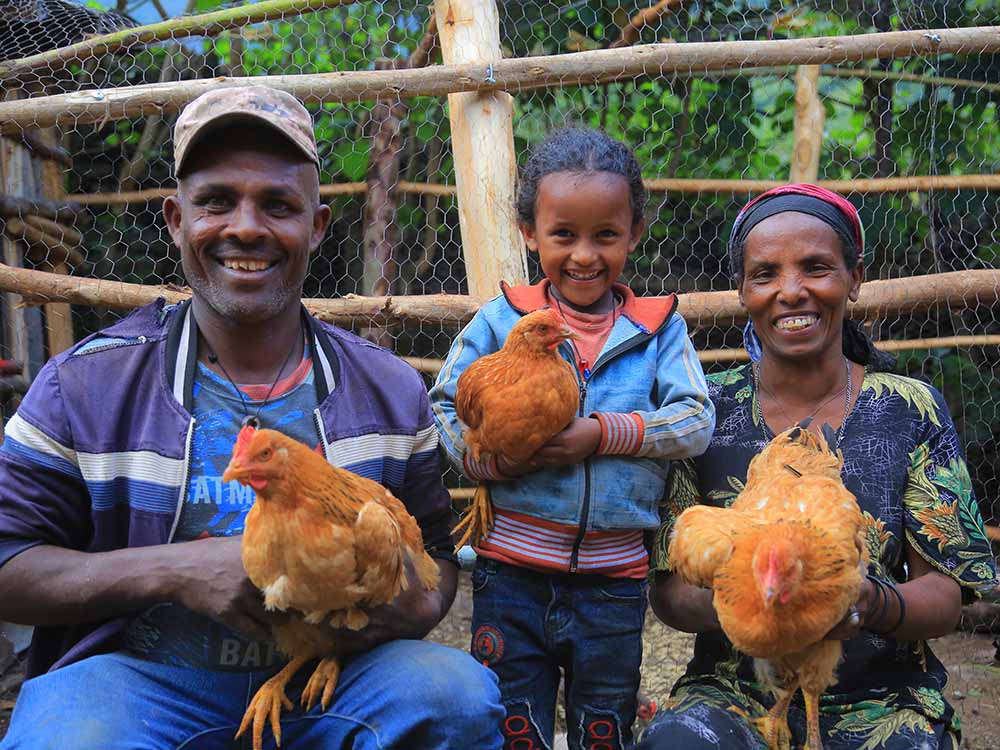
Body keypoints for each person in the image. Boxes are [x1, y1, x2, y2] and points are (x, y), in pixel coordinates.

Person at [0, 86, 503, 750]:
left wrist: (403, 605)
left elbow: (435, 557)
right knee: (72, 739)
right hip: (143, 682)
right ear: (176, 220)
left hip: (334, 676)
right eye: (215, 201)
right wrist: (175, 569)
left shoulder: (385, 390)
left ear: (317, 226)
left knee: (454, 698)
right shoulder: (83, 387)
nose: (244, 226)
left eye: (278, 205)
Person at [638, 184, 998, 750]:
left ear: (855, 278)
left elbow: (946, 594)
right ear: (742, 290)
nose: (791, 291)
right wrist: (756, 598)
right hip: (734, 695)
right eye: (765, 274)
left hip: (881, 696)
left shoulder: (908, 408)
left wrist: (864, 599)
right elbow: (670, 591)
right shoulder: (704, 411)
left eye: (816, 268)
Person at [430, 128, 716, 749]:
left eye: (605, 236)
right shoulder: (499, 320)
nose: (584, 255)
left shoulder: (657, 330)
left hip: (614, 579)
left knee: (603, 724)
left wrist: (603, 434)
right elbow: (445, 407)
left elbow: (697, 419)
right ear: (531, 233)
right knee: (513, 722)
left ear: (634, 234)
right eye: (564, 235)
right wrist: (481, 464)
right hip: (510, 573)